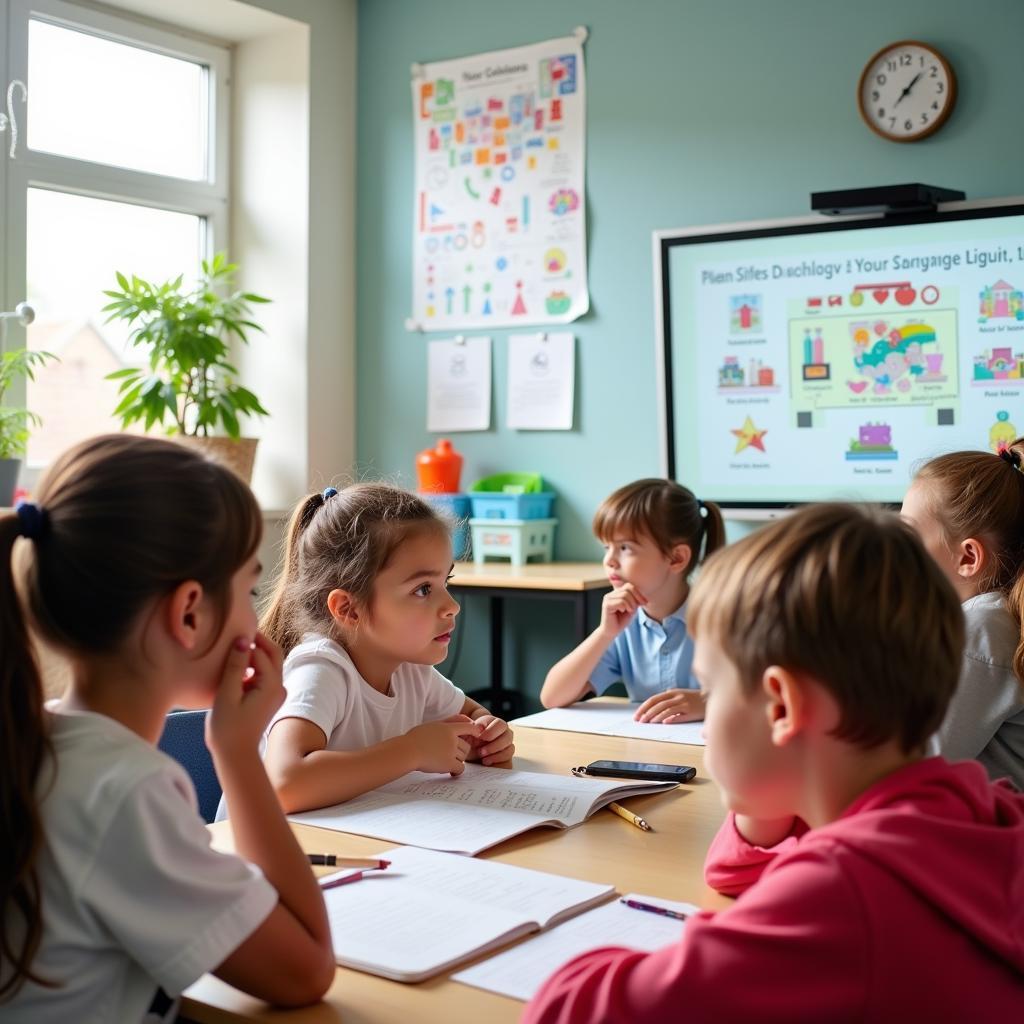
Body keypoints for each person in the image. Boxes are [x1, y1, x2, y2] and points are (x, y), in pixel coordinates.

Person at [524, 503, 1024, 1023]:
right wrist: (762, 809)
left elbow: (574, 1009)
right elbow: (733, 874)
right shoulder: (981, 806)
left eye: (713, 691)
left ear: (781, 706)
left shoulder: (843, 892)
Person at [0, 435, 334, 1022]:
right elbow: (305, 970)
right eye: (249, 590)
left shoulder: (35, 739)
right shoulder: (124, 790)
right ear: (188, 614)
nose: (257, 615)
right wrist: (237, 754)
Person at [258, 483, 514, 813]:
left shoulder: (410, 669)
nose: (452, 606)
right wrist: (412, 752)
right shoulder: (320, 670)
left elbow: (472, 715)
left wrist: (485, 738)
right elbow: (284, 785)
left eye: (444, 583)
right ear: (349, 609)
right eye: (423, 589)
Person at [540, 479, 724, 724]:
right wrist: (604, 633)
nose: (610, 560)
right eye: (607, 547)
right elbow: (552, 697)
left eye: (625, 547)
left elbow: (765, 698)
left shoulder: (724, 617)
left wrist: (708, 701)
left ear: (676, 558)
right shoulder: (624, 623)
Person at [902, 440, 1024, 790]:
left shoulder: (980, 633)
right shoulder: (995, 617)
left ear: (968, 558)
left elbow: (918, 766)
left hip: (985, 838)